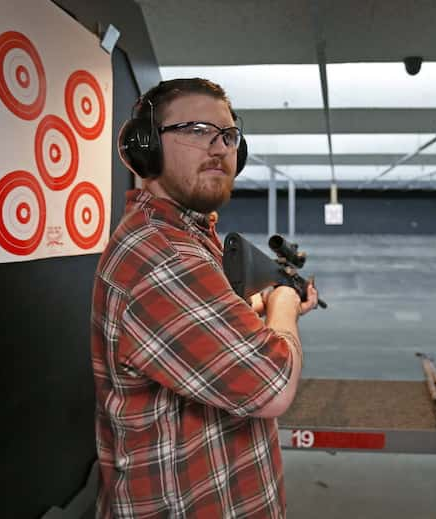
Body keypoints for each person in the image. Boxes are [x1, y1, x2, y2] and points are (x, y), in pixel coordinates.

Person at [91, 78, 318, 518]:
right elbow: (272, 386)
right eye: (196, 130)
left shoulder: (187, 237)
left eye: (229, 136)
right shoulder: (164, 255)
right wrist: (285, 302)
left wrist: (262, 307)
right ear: (145, 147)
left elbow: (202, 330)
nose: (219, 147)